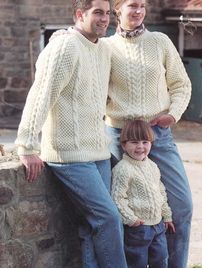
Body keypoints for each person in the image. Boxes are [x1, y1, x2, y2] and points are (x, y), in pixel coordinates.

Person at [15, 0, 127, 267]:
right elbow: (40, 95)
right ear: (79, 14)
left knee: (92, 226)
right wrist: (27, 146)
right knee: (109, 218)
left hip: (98, 151)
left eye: (108, 13)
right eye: (97, 12)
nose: (105, 18)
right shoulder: (65, 46)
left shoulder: (103, 49)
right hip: (70, 155)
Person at [104, 0, 193, 267]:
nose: (139, 11)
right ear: (118, 9)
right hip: (118, 135)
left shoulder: (160, 41)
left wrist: (173, 114)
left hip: (157, 133)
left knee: (182, 206)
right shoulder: (105, 48)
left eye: (142, 5)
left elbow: (181, 84)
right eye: (132, 5)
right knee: (118, 208)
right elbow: (93, 89)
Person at [111, 119, 176, 268]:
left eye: (145, 142)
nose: (140, 147)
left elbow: (160, 192)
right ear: (123, 145)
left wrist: (166, 215)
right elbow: (117, 197)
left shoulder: (152, 166)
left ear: (151, 143)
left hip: (158, 226)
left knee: (160, 261)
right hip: (138, 229)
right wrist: (131, 219)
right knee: (136, 263)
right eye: (134, 142)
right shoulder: (123, 169)